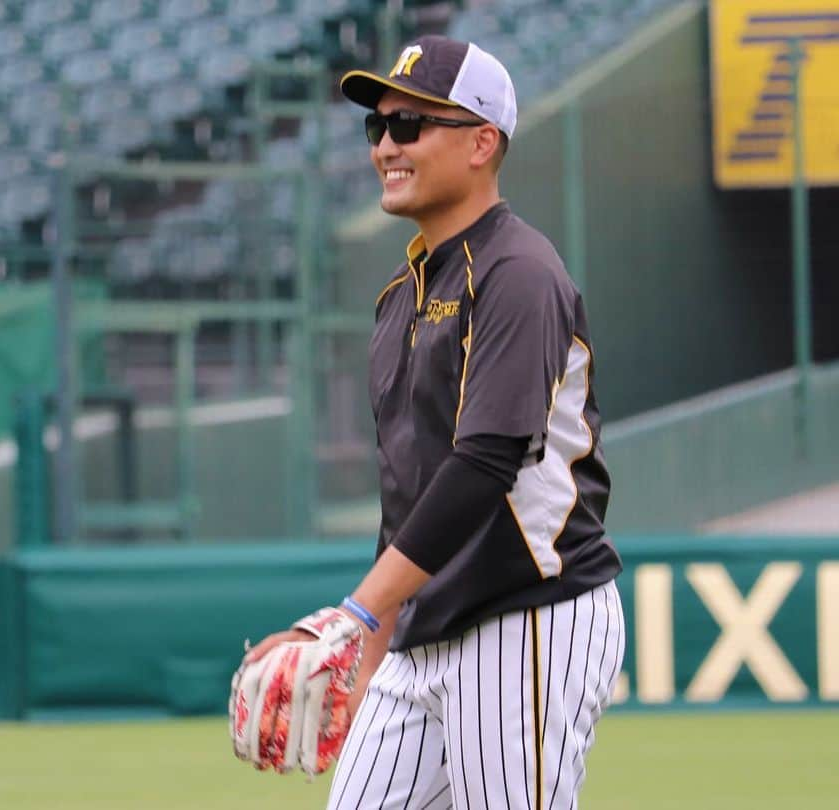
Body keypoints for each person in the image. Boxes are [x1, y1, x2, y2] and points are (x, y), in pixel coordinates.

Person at [244, 34, 625, 809]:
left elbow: (484, 465)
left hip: (529, 617)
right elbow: (408, 505)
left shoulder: (520, 273)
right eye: (376, 128)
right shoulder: (401, 293)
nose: (387, 144)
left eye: (411, 125)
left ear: (483, 142)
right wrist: (369, 654)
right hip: (427, 628)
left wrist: (355, 613)